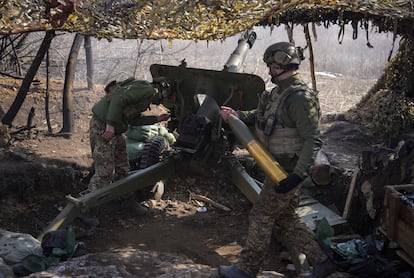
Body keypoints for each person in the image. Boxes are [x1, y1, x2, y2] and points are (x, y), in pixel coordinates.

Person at [218, 42, 336, 278]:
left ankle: (247, 270)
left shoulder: (300, 99)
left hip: (287, 170)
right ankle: (322, 261)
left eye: (271, 65)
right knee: (285, 217)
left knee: (261, 215)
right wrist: (238, 115)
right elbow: (261, 117)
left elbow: (313, 140)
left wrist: (297, 176)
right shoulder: (276, 93)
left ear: (281, 64)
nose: (269, 70)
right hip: (275, 166)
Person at [87, 78, 170, 208]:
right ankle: (87, 208)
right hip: (103, 127)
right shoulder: (147, 89)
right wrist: (110, 124)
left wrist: (156, 119)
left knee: (123, 168)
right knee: (105, 172)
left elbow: (132, 119)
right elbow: (119, 98)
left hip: (115, 130)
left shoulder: (145, 95)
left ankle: (126, 200)